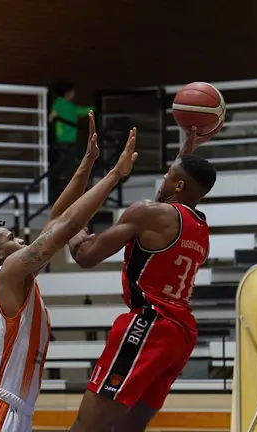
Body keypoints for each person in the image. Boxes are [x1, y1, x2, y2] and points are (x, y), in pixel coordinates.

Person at [0, 112, 139, 432]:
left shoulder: (12, 276)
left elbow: (57, 216)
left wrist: (88, 161)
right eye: (12, 238)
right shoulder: (8, 271)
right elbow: (66, 226)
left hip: (6, 408)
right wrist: (114, 175)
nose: (22, 239)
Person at [66, 127, 217, 432]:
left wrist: (73, 230)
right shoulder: (200, 227)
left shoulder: (149, 214)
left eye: (167, 175)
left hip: (150, 323)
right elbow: (174, 190)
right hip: (181, 333)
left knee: (87, 426)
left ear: (178, 183)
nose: (161, 179)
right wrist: (186, 147)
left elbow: (86, 257)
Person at [48, 79, 96, 203]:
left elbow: (52, 118)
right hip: (64, 141)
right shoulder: (60, 104)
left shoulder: (66, 105)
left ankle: (68, 194)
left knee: (69, 166)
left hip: (67, 140)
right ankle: (62, 194)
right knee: (65, 166)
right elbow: (52, 118)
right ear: (68, 93)